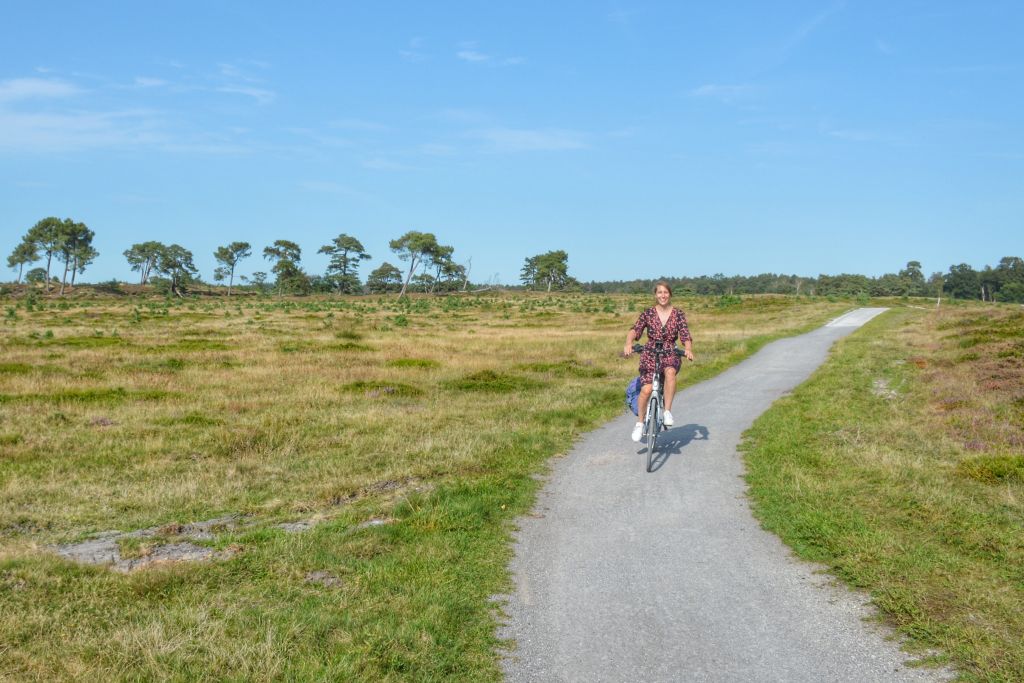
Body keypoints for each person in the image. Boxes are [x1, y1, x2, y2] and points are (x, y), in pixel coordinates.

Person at [623, 281, 694, 442]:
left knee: (670, 372)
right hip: (650, 352)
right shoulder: (648, 313)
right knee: (646, 390)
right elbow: (635, 329)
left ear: (670, 295)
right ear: (655, 295)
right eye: (660, 292)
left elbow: (685, 334)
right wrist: (628, 343)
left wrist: (688, 349)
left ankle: (667, 411)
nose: (663, 295)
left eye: (666, 292)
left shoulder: (678, 314)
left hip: (670, 352)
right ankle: (640, 423)